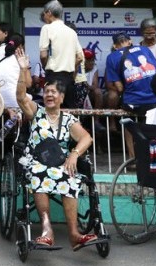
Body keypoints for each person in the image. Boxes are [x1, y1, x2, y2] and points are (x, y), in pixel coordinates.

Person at [14, 48, 96, 250]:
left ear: (61, 97)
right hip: (36, 161)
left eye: (54, 92)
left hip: (60, 163)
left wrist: (74, 155)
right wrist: (22, 70)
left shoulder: (68, 119)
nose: (49, 94)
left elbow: (87, 138)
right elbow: (20, 96)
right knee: (38, 174)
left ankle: (74, 234)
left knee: (70, 177)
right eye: (46, 91)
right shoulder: (36, 112)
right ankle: (46, 230)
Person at [38, 0, 83, 108]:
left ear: (49, 13)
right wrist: (72, 71)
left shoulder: (47, 28)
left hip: (53, 77)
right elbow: (80, 57)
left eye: (44, 14)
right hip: (69, 79)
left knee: (53, 112)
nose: (44, 18)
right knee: (69, 114)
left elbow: (43, 55)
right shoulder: (71, 32)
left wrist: (46, 67)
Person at [0, 33, 30, 110]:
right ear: (20, 46)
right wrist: (26, 67)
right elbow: (28, 84)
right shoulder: (20, 57)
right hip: (15, 101)